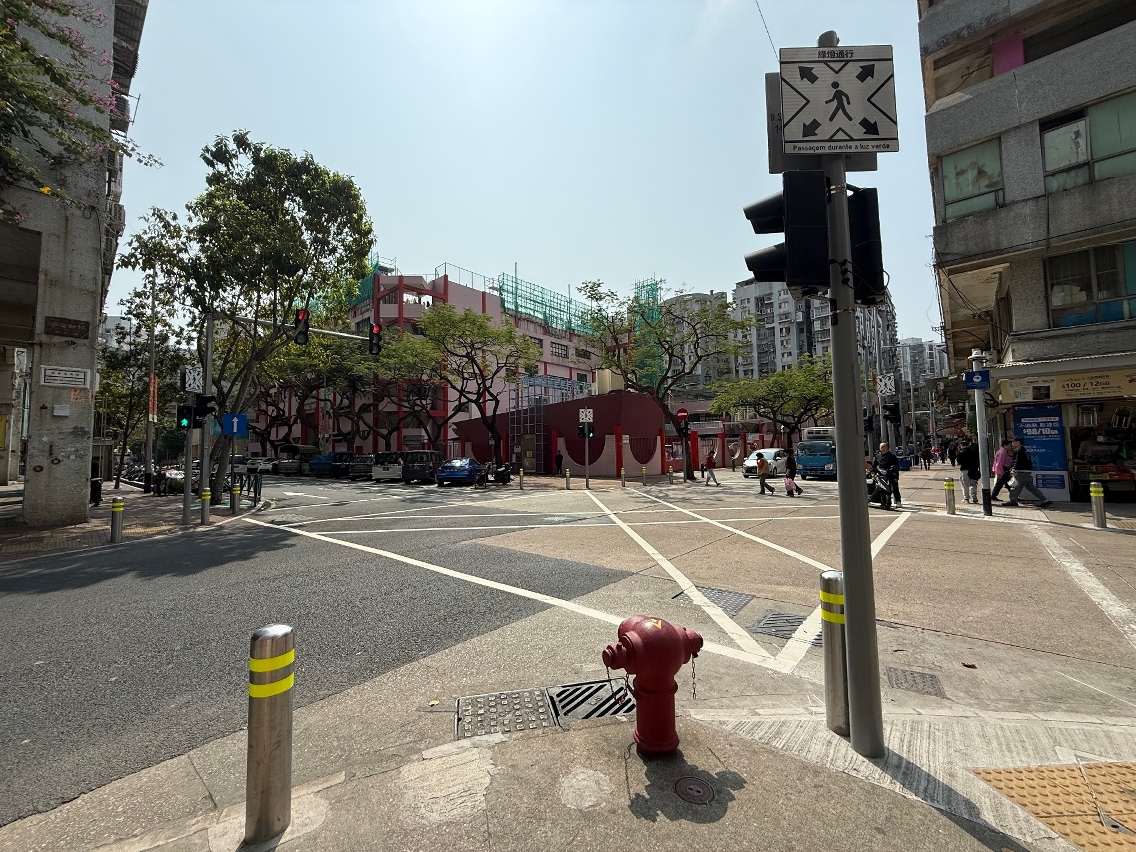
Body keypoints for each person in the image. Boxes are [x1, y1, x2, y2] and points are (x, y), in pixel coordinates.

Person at [1006, 438, 1052, 508]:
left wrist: (1014, 469)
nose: (1012, 443)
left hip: (1021, 471)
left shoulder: (1020, 450)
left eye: (1013, 442)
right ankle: (1044, 499)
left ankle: (1012, 500)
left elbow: (1018, 461)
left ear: (1018, 442)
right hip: (1026, 471)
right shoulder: (1024, 450)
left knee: (1016, 485)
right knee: (1030, 486)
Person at [875, 442, 902, 508]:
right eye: (881, 447)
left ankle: (898, 501)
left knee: (895, 487)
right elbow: (875, 465)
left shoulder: (892, 456)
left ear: (887, 448)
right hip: (881, 475)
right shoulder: (878, 456)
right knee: (879, 488)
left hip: (890, 474)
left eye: (884, 447)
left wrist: (894, 473)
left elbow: (896, 466)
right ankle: (881, 501)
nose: (883, 448)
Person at [956, 439, 980, 504]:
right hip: (974, 470)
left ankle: (966, 498)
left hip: (965, 470)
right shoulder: (974, 452)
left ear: (962, 445)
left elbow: (958, 462)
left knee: (965, 485)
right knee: (973, 484)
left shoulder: (961, 453)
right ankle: (974, 497)